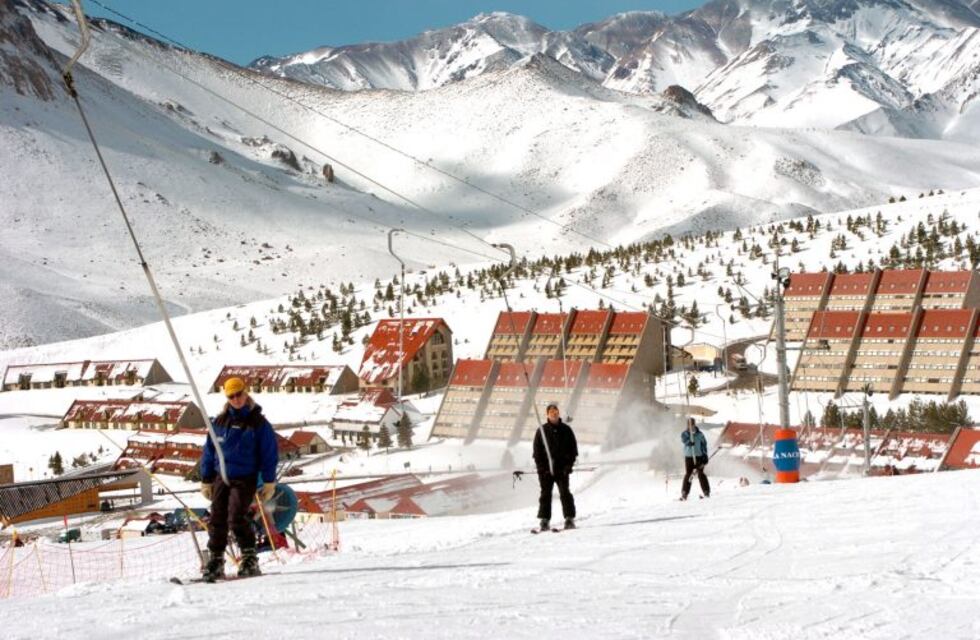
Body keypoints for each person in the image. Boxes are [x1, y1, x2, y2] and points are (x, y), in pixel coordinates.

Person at [200, 377, 278, 581]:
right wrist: (206, 478)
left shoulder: (258, 423)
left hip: (244, 477)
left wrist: (269, 480)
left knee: (236, 516)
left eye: (239, 394)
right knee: (217, 517)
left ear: (246, 392)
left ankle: (250, 558)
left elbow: (269, 453)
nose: (236, 399)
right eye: (231, 396)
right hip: (221, 476)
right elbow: (209, 451)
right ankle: (216, 560)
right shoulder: (219, 422)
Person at [533, 403, 578, 530]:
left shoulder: (566, 430)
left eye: (556, 411)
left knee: (564, 493)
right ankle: (544, 520)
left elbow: (573, 450)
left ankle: (569, 518)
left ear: (558, 413)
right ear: (547, 414)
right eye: (551, 412)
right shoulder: (541, 431)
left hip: (562, 469)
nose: (554, 413)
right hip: (546, 471)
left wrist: (568, 465)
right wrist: (542, 469)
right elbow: (537, 452)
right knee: (545, 494)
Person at [680, 417, 710, 500]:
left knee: (701, 473)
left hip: (699, 457)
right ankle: (685, 492)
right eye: (689, 425)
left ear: (694, 424)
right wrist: (689, 442)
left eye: (692, 425)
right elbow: (684, 440)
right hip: (689, 457)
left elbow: (704, 445)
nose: (691, 427)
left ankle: (706, 491)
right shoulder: (685, 434)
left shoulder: (700, 434)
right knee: (688, 474)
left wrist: (705, 455)